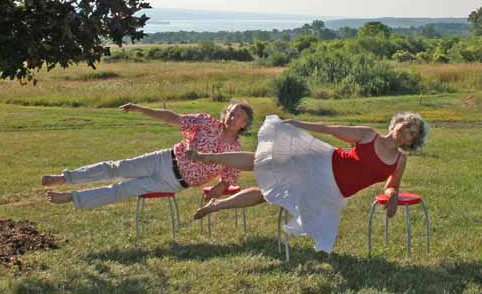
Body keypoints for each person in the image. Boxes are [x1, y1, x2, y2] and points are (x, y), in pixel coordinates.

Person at [187, 112, 428, 253]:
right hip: (321, 162)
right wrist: (297, 124)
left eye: (412, 133)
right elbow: (329, 128)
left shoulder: (399, 160)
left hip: (331, 192)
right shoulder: (367, 135)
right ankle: (207, 156)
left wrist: (393, 194)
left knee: (266, 194)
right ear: (396, 123)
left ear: (411, 142)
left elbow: (392, 184)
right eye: (406, 126)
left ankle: (215, 206)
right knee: (263, 160)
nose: (407, 132)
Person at [42, 99, 253, 209]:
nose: (233, 117)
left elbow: (228, 180)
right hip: (164, 159)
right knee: (116, 168)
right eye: (231, 112)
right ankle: (64, 178)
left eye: (239, 116)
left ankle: (71, 198)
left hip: (173, 182)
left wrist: (216, 191)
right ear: (225, 113)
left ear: (244, 124)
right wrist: (140, 109)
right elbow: (173, 118)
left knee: (122, 190)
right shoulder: (206, 121)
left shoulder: (236, 151)